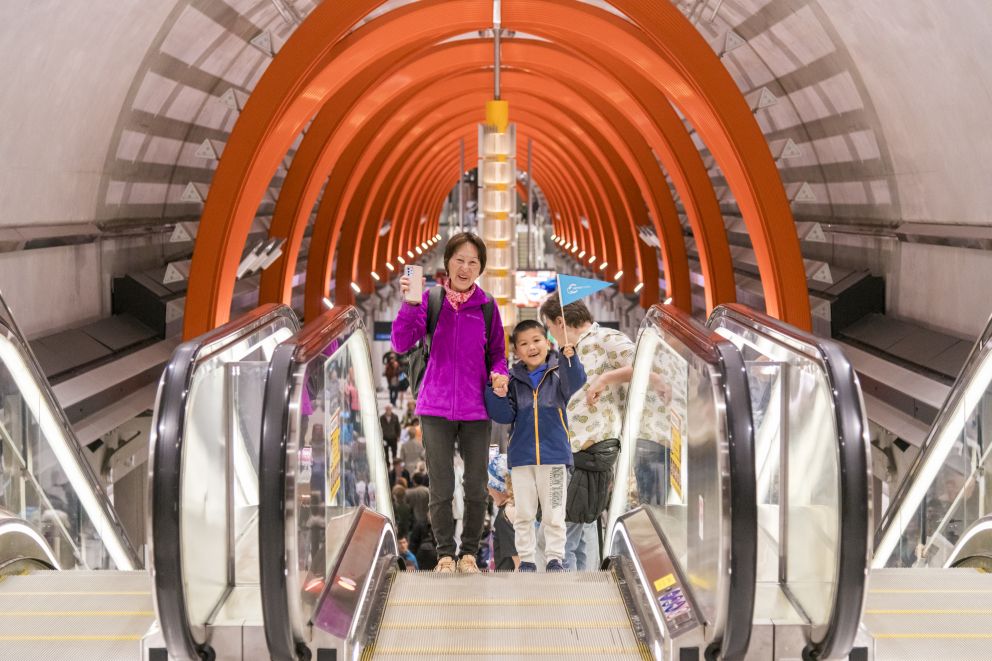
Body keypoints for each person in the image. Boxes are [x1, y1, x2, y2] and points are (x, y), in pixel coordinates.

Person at [392, 232, 509, 573]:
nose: (466, 267)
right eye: (460, 259)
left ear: (480, 268)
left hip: (476, 409)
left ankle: (469, 553)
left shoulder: (487, 307)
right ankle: (445, 554)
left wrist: (499, 374)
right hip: (435, 407)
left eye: (473, 262)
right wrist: (409, 305)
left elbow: (498, 354)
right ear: (447, 263)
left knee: (475, 485)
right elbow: (401, 342)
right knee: (440, 486)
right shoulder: (431, 300)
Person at [540, 297, 634, 571]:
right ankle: (580, 592)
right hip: (571, 451)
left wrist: (605, 380)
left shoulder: (605, 338)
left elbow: (645, 364)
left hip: (589, 452)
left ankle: (563, 600)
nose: (550, 334)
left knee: (560, 538)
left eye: (549, 327)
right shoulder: (571, 351)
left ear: (560, 322)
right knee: (579, 533)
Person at [485, 319, 586, 572]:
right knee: (524, 513)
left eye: (537, 340)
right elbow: (504, 416)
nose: (531, 347)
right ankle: (527, 560)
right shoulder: (512, 380)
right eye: (524, 344)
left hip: (554, 457)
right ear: (516, 351)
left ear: (547, 342)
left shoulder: (559, 372)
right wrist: (495, 393)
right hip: (521, 458)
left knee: (554, 512)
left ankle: (554, 558)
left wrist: (570, 358)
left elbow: (576, 384)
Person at [487, 453, 518, 571]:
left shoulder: (506, 515)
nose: (489, 492)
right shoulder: (518, 508)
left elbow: (519, 565)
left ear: (498, 487)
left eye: (490, 487)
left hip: (508, 585)